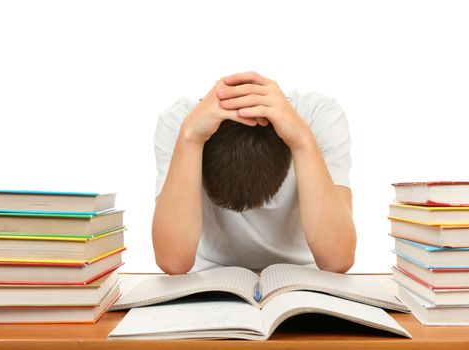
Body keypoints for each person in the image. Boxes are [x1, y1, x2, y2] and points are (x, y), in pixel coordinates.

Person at [152, 71, 356, 274]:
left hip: (305, 275)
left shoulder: (320, 115)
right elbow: (173, 263)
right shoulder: (181, 123)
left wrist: (302, 141)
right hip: (208, 278)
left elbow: (337, 260)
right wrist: (190, 139)